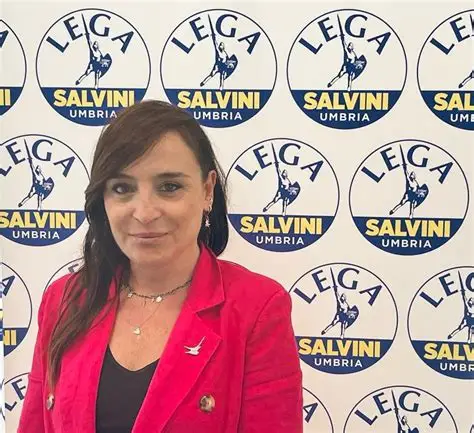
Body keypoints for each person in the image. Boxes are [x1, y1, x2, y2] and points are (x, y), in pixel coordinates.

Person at [18, 100, 303, 433]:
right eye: (122, 188)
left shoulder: (257, 308)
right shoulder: (63, 300)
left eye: (169, 187)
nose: (144, 213)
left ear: (207, 190)